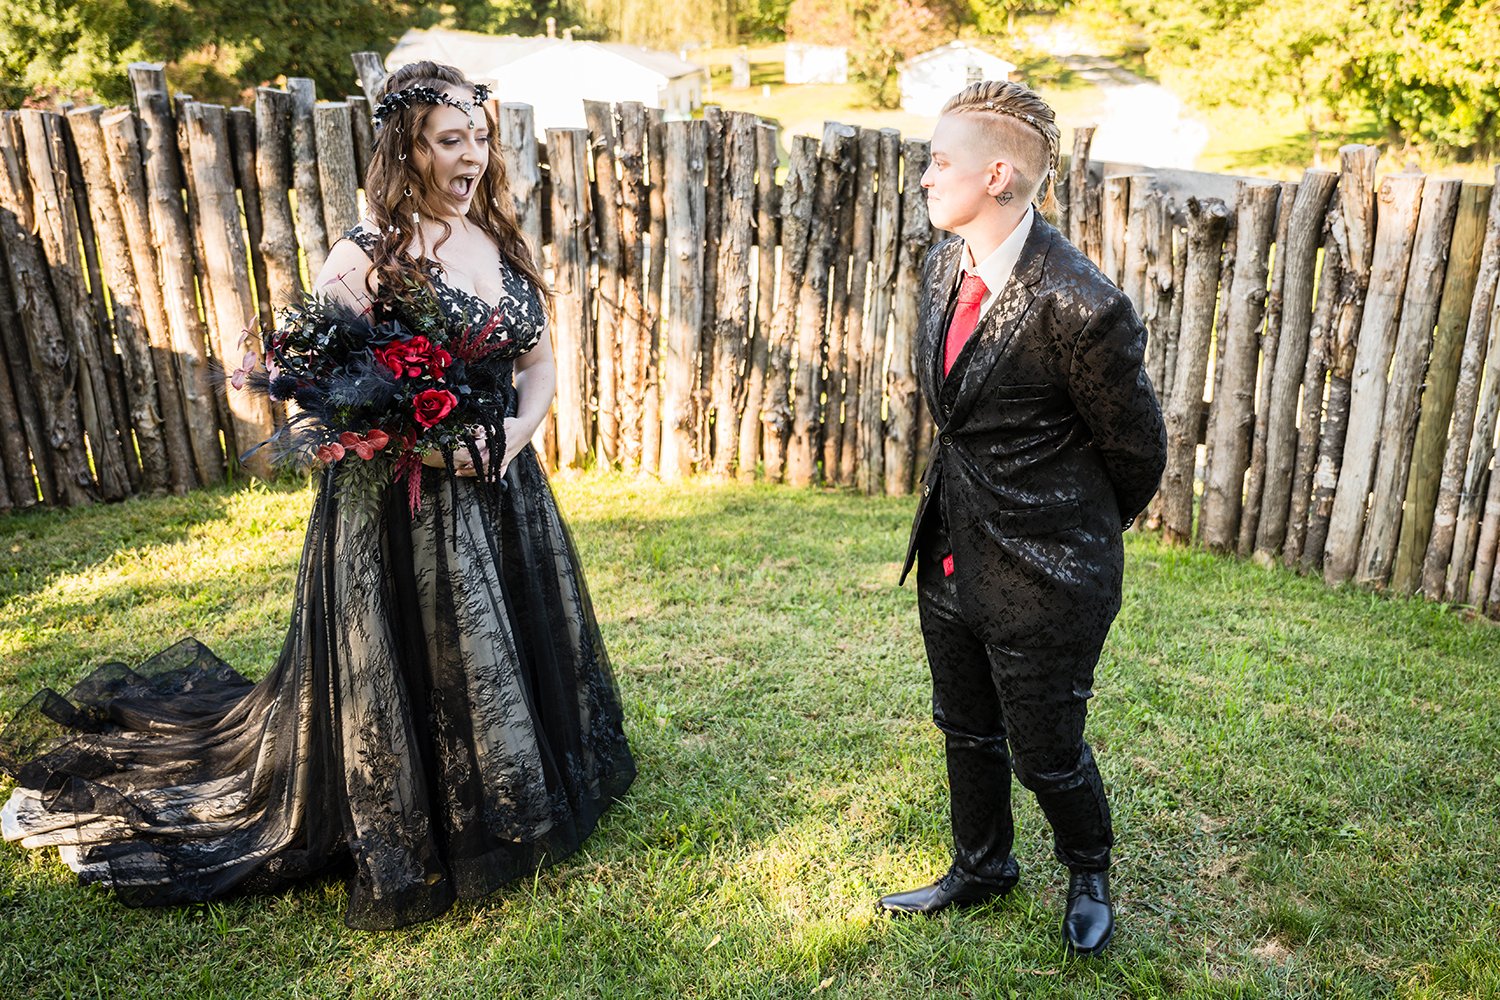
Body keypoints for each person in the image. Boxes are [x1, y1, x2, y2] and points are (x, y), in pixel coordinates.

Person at [0, 61, 636, 930]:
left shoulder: (498, 236)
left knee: (500, 652)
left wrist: (513, 439)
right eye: (453, 142)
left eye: (480, 139)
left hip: (506, 488)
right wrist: (436, 448)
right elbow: (344, 402)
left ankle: (513, 792)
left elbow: (540, 362)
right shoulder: (362, 259)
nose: (474, 158)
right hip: (404, 511)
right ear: (405, 151)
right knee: (425, 662)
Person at [876, 81, 1167, 956]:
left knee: (1046, 749)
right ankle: (982, 866)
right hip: (950, 548)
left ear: (996, 174)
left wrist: (1063, 536)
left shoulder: (1083, 302)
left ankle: (1088, 869)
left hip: (1049, 570)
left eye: (940, 161)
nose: (925, 176)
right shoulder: (943, 261)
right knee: (963, 725)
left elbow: (1136, 453)